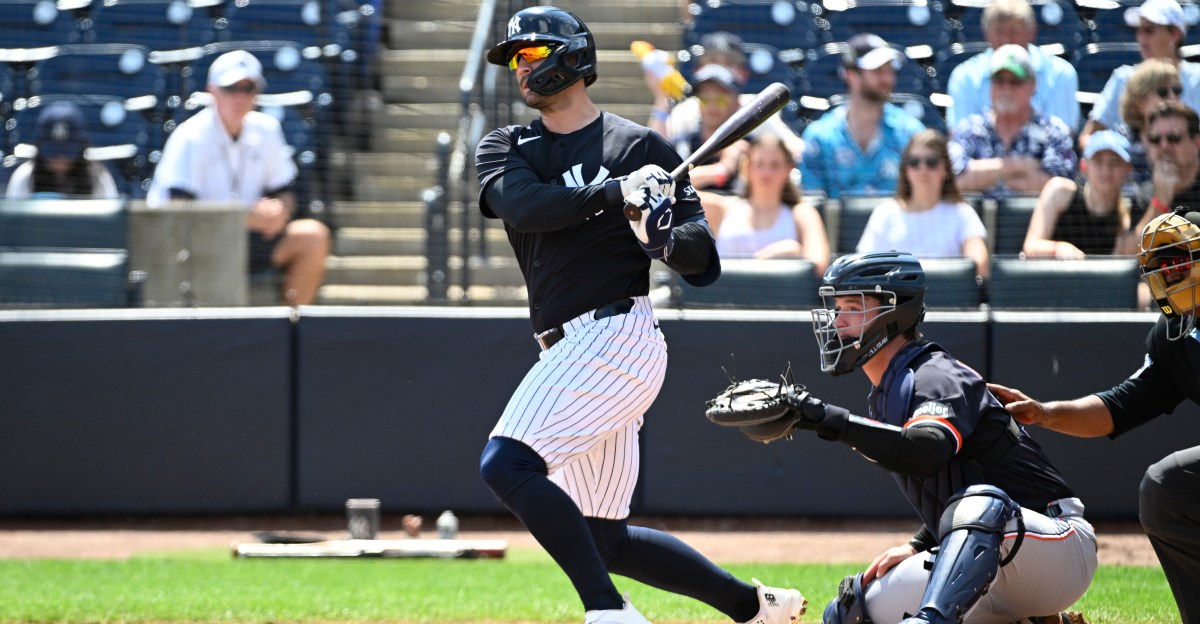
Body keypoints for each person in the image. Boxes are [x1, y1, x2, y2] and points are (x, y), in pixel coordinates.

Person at [473, 7, 806, 624]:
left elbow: (702, 263)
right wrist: (611, 193)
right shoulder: (507, 145)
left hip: (617, 335)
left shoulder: (642, 147)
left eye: (531, 54)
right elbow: (523, 207)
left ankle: (606, 610)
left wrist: (658, 236)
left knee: (507, 461)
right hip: (563, 345)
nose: (521, 68)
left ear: (572, 55)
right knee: (604, 538)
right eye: (515, 58)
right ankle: (752, 607)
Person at [726, 251, 1099, 623]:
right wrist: (919, 543)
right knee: (849, 613)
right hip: (1000, 552)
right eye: (836, 308)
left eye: (853, 307)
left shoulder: (934, 373)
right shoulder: (889, 389)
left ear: (893, 312)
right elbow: (956, 480)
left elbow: (926, 454)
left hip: (1057, 544)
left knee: (980, 505)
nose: (838, 321)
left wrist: (826, 419)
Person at [989, 208, 1200, 623]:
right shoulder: (1175, 335)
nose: (1168, 272)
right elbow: (1115, 408)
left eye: (1179, 259)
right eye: (1161, 264)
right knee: (1165, 490)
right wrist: (1044, 413)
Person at [147, 50, 330, 305]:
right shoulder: (190, 136)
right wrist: (244, 218)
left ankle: (291, 330)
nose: (240, 96)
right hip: (196, 244)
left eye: (248, 88)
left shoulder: (267, 129)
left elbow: (287, 189)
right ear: (212, 90)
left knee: (313, 236)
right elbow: (178, 211)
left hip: (249, 240)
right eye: (230, 88)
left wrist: (280, 210)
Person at [800, 33, 925, 200]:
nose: (887, 79)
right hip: (835, 226)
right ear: (851, 75)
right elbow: (812, 204)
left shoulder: (910, 133)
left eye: (890, 71)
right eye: (878, 71)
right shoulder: (821, 137)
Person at [645, 32, 804, 161]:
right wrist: (662, 97)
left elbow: (796, 151)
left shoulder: (756, 107)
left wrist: (755, 155)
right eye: (712, 61)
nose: (719, 67)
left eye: (729, 62)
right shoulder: (689, 108)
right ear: (697, 69)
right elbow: (654, 155)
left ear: (743, 73)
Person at [857, 129, 990, 278]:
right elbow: (864, 268)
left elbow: (980, 265)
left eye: (931, 162)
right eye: (914, 162)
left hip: (948, 299)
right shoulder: (885, 214)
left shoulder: (962, 213)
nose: (923, 168)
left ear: (945, 169)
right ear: (906, 170)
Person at [950, 44, 1077, 199]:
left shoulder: (1052, 131)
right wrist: (1020, 166)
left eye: (1015, 81)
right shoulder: (970, 130)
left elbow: (1060, 186)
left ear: (1033, 85)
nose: (1006, 89)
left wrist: (984, 176)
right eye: (999, 81)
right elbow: (953, 182)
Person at [1080, 0, 1200, 150]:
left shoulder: (1198, 78)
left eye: (1149, 30)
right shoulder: (1123, 78)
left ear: (1175, 34)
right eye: (1138, 30)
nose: (1140, 37)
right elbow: (1088, 137)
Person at [945, 0, 1081, 133]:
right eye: (999, 32)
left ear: (1032, 31)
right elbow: (960, 136)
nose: (1006, 40)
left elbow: (1063, 134)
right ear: (986, 34)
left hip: (1043, 153)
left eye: (1014, 32)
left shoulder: (1061, 73)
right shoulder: (964, 76)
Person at [701, 133, 829, 269]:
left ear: (788, 170)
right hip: (726, 290)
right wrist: (722, 169)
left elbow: (819, 264)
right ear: (748, 168)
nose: (766, 172)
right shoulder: (724, 209)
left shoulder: (802, 213)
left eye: (775, 165)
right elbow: (677, 190)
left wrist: (795, 251)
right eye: (759, 164)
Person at [1022, 130, 1139, 258]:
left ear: (1127, 170)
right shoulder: (1059, 192)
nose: (1106, 169)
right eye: (1098, 161)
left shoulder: (1129, 218)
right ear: (1084, 166)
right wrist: (1058, 249)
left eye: (1115, 162)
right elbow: (1031, 246)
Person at [5, 100, 119, 199]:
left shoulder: (98, 177)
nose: (60, 160)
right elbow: (14, 222)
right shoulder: (25, 176)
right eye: (53, 154)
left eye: (66, 153)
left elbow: (110, 222)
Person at [1117, 59, 1184, 186]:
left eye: (1176, 90)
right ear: (1140, 101)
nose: (1173, 97)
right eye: (1163, 92)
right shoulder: (1120, 142)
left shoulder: (1191, 137)